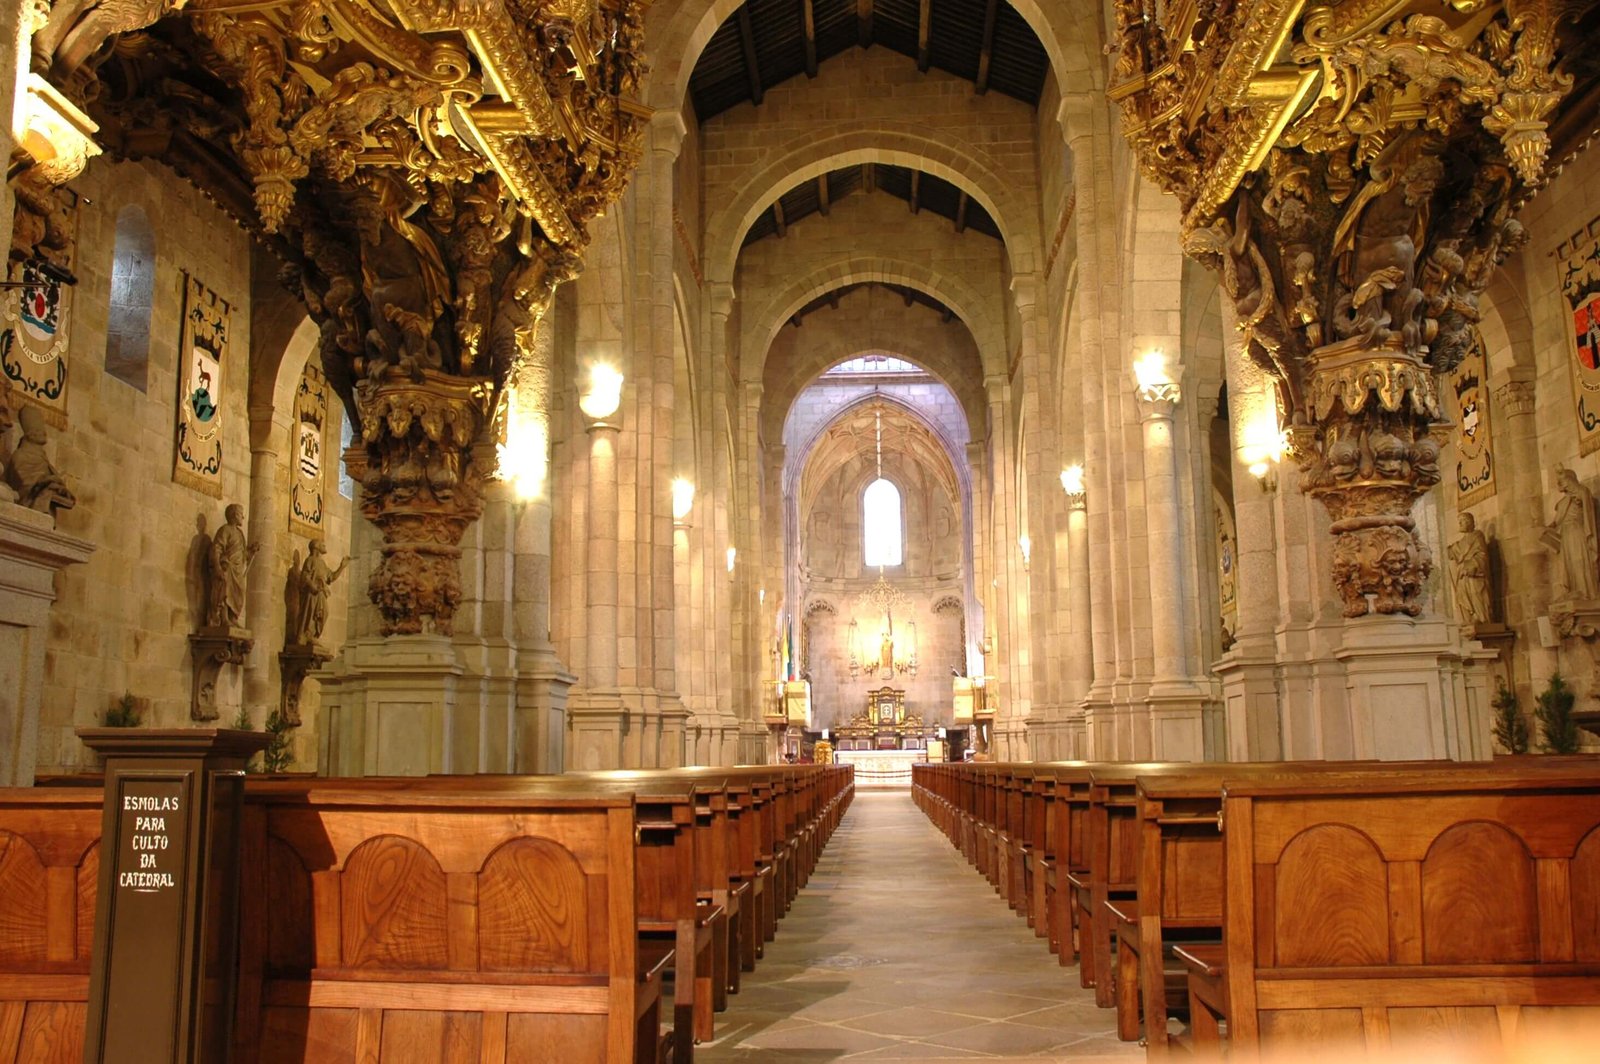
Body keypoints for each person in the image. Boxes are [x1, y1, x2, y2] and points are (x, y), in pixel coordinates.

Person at [5, 404, 75, 517]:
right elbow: (25, 486)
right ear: (29, 435)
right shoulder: (20, 455)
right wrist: (48, 484)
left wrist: (58, 489)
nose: (43, 433)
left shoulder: (43, 459)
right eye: (37, 430)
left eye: (42, 429)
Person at [1548, 467, 1600, 601]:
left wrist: (1577, 495)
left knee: (1580, 562)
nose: (1561, 483)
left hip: (1577, 534)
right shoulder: (1562, 503)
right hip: (1565, 536)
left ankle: (1586, 592)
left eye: (1563, 480)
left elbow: (1586, 503)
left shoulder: (1581, 492)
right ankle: (1573, 591)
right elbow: (1556, 522)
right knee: (1567, 566)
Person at [208, 503, 259, 628]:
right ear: (234, 515)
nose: (242, 517)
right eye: (241, 514)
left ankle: (232, 617)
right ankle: (224, 618)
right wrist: (217, 567)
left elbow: (242, 555)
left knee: (238, 593)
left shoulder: (240, 534)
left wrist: (251, 551)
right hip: (228, 567)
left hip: (237, 571)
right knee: (225, 592)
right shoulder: (225, 530)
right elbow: (217, 548)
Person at [293, 539, 349, 645]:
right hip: (312, 594)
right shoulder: (310, 560)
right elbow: (305, 576)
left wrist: (342, 567)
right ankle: (307, 634)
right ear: (316, 546)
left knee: (324, 613)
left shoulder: (322, 563)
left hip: (321, 594)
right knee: (309, 614)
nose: (324, 546)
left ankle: (313, 634)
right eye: (322, 544)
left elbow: (331, 577)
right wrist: (313, 586)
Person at [1448, 513, 1492, 627]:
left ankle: (1481, 619)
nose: (1460, 523)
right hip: (1462, 577)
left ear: (1470, 522)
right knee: (1463, 598)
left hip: (1474, 576)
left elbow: (1482, 556)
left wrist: (1469, 567)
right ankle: (1469, 619)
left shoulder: (1477, 536)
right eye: (1460, 521)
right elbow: (1452, 551)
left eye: (1463, 520)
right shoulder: (1460, 542)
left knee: (1476, 595)